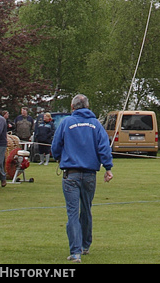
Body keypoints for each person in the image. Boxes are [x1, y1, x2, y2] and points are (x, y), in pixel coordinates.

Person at [51, 93, 113, 263]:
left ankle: (76, 252)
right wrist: (108, 168)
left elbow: (55, 146)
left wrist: (58, 156)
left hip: (70, 174)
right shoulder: (96, 125)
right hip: (89, 175)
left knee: (73, 213)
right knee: (86, 210)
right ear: (87, 106)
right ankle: (85, 246)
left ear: (72, 107)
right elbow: (104, 147)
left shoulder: (66, 123)